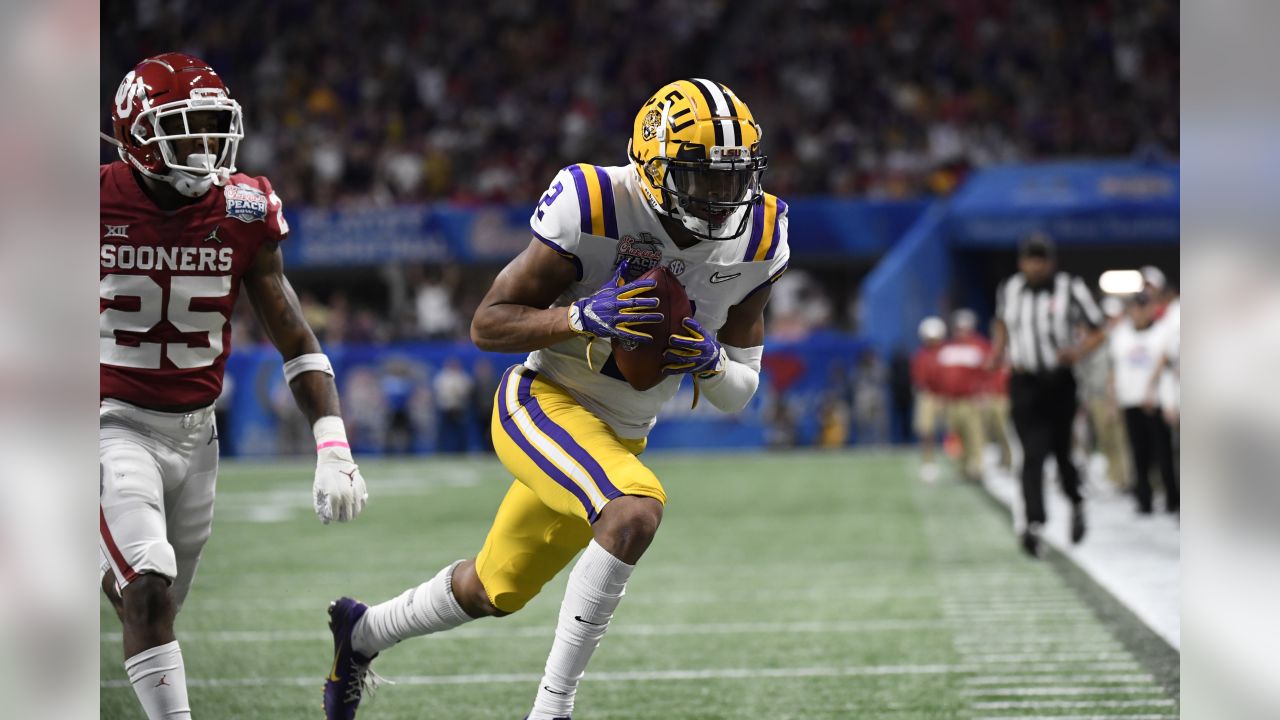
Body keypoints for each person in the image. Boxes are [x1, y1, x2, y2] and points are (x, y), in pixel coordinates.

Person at [322, 79, 788, 719]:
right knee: (633, 512)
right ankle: (553, 710)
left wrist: (710, 362)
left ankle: (362, 632)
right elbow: (487, 323)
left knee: (494, 588)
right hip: (543, 400)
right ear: (651, 169)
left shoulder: (761, 235)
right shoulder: (596, 202)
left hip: (620, 432)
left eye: (734, 179)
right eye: (701, 179)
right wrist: (580, 318)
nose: (722, 198)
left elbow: (740, 392)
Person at [100, 54, 369, 720]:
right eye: (185, 129)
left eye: (213, 127)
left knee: (153, 596)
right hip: (109, 421)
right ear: (137, 134)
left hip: (197, 436)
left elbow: (297, 340)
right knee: (148, 588)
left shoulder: (244, 208)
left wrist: (333, 446)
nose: (206, 147)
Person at [988, 232, 1104, 557]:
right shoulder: (1009, 289)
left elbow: (1098, 328)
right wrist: (997, 353)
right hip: (1024, 381)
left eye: (1041, 259)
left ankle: (1076, 502)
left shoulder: (1071, 287)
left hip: (1058, 381)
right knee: (1031, 454)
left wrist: (1077, 352)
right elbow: (1001, 323)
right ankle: (1033, 523)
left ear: (1051, 262)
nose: (1036, 265)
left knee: (1061, 453)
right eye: (1030, 259)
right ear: (1021, 262)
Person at [1111, 292, 1180, 514]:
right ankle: (1144, 499)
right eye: (1136, 307)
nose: (1139, 312)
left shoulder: (1163, 331)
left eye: (1144, 306)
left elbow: (1165, 362)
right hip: (1130, 400)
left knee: (1163, 454)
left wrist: (1153, 391)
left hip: (1155, 401)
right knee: (1138, 453)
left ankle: (1172, 499)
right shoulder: (1121, 334)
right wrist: (1113, 398)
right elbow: (1115, 367)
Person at [936, 309, 991, 482]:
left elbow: (987, 373)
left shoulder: (979, 346)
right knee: (956, 435)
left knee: (975, 434)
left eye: (965, 327)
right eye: (959, 327)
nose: (961, 331)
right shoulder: (948, 349)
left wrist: (983, 394)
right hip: (952, 401)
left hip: (970, 400)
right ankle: (963, 467)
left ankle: (978, 466)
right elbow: (942, 377)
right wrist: (942, 397)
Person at [911, 316, 946, 482]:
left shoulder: (945, 353)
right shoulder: (921, 355)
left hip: (945, 394)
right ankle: (928, 461)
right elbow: (919, 378)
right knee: (927, 431)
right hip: (929, 395)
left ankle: (957, 459)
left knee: (953, 429)